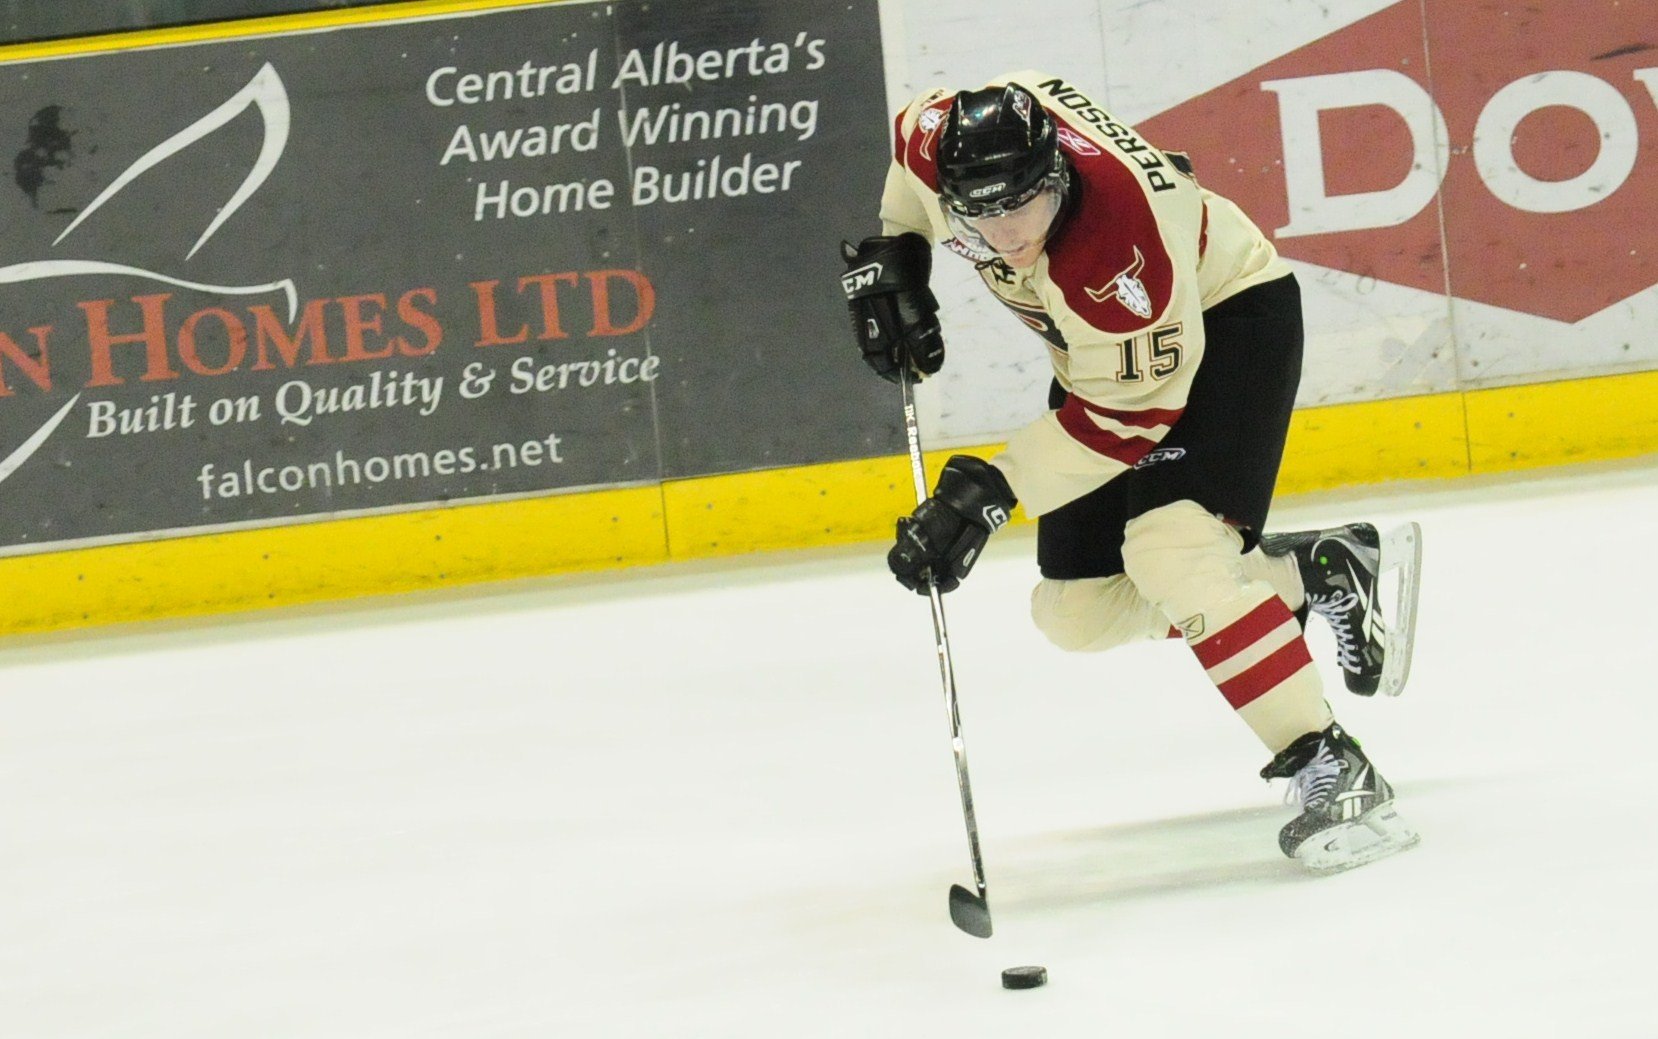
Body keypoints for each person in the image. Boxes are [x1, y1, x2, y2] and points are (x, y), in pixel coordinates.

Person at [839, 72, 1423, 873]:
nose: (1007, 235)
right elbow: (910, 179)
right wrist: (898, 251)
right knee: (1075, 613)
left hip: (1229, 322)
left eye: (1024, 207)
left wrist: (990, 495)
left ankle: (1333, 764)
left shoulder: (1119, 257)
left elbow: (1131, 417)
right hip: (1106, 366)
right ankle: (1309, 571)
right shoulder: (936, 138)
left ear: (1055, 176)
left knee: (1170, 552)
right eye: (982, 213)